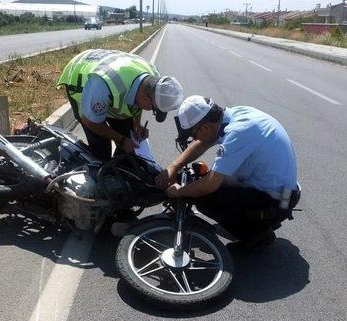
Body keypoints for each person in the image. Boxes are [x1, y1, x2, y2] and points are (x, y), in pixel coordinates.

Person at [155, 96, 300, 250]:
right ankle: (251, 220)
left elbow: (210, 185)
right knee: (199, 179)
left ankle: (258, 234)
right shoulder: (234, 116)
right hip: (279, 191)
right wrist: (173, 167)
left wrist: (180, 192)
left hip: (278, 202)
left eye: (194, 135)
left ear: (205, 128)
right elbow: (204, 142)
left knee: (206, 197)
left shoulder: (238, 132)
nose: (195, 139)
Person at [57, 49, 184, 160]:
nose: (150, 111)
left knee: (129, 138)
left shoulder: (154, 78)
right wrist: (122, 141)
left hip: (110, 83)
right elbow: (91, 122)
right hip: (81, 73)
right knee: (101, 151)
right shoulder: (103, 84)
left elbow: (139, 104)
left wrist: (137, 125)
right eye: (153, 109)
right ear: (146, 98)